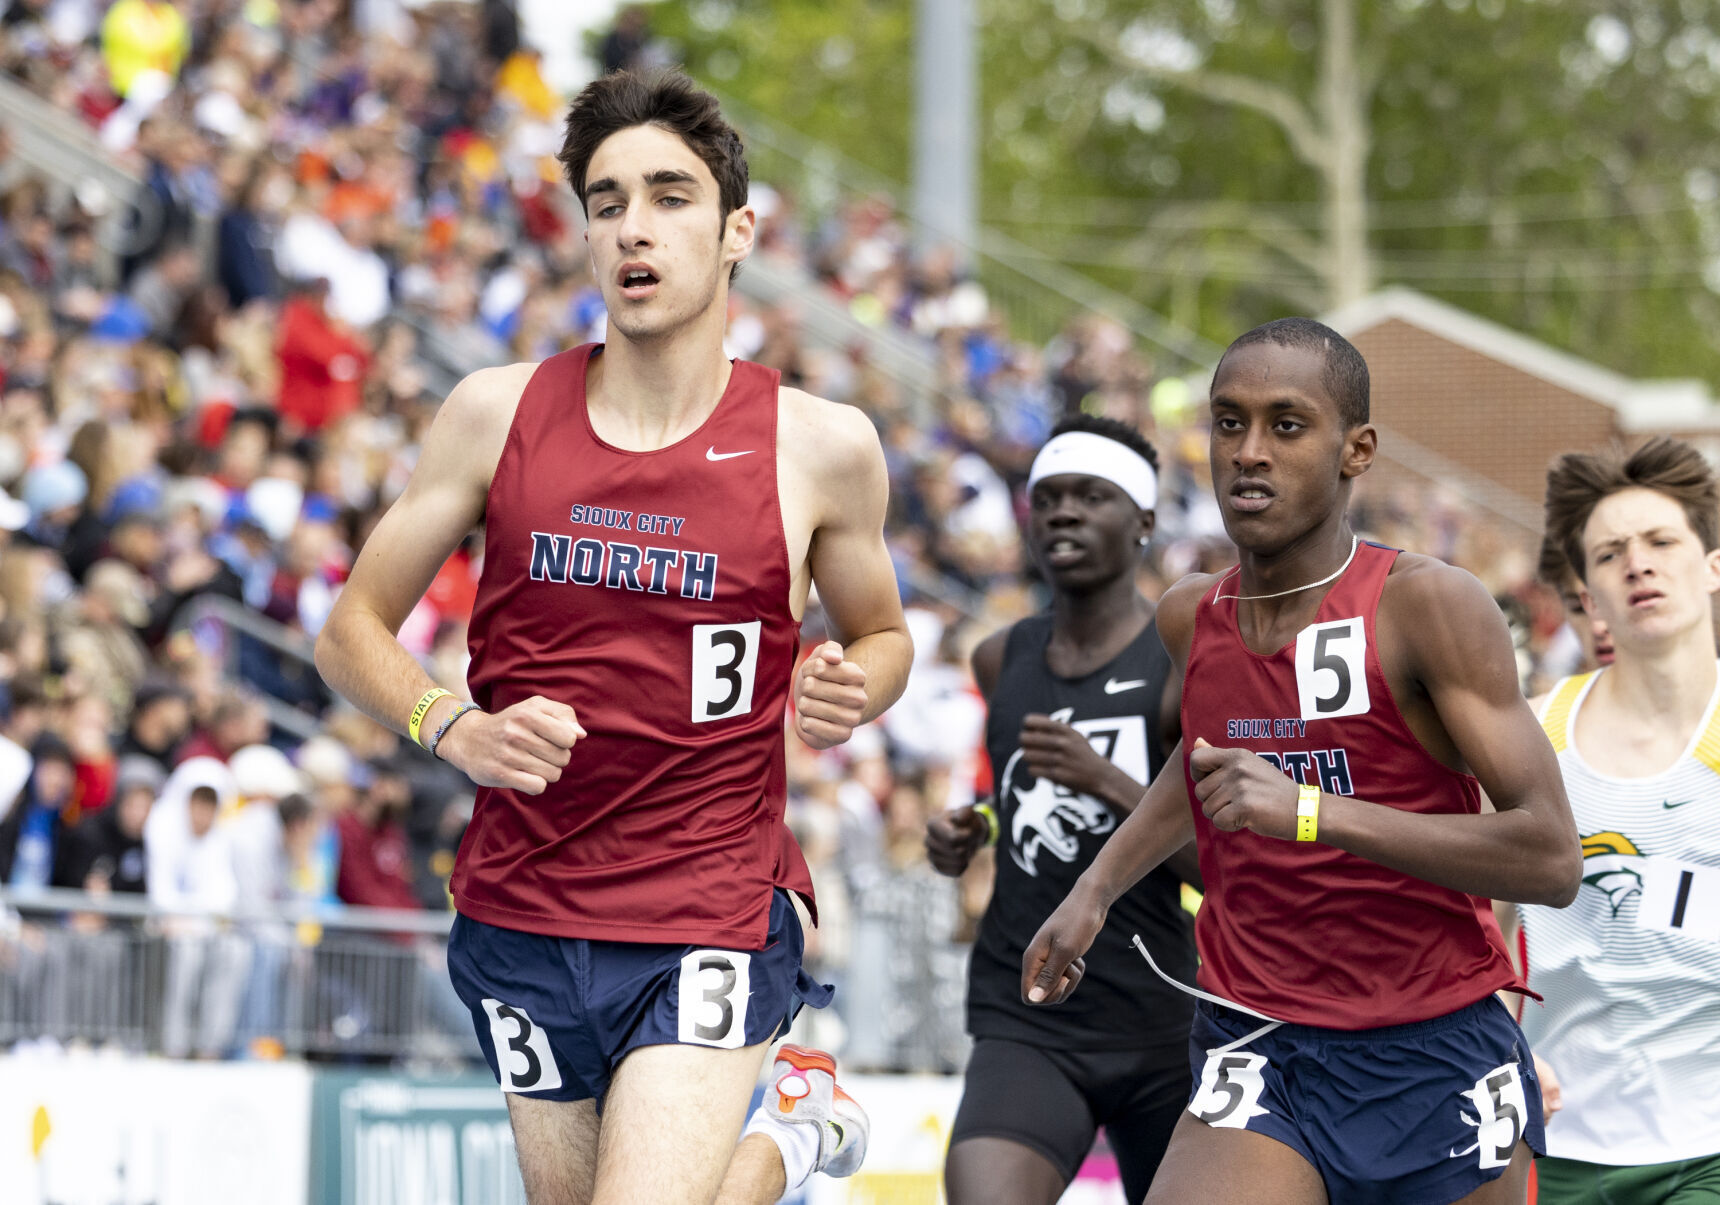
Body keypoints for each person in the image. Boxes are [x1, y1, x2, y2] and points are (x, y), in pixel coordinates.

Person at [314, 69, 912, 1205]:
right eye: (605, 200)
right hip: (520, 907)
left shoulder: (820, 446)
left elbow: (883, 634)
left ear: (739, 230)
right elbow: (349, 630)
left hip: (710, 903)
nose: (633, 225)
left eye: (670, 196)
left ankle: (783, 1125)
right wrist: (455, 727)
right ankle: (791, 1131)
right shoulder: (494, 412)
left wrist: (853, 684)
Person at [1022, 317, 1582, 1205]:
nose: (1249, 452)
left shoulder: (1429, 605)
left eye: (1287, 425)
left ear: (1356, 449)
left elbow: (1552, 857)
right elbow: (1204, 766)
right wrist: (1096, 886)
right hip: (1260, 1035)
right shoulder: (1189, 616)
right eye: (1228, 422)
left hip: (1432, 1044)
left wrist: (1312, 812)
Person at [925, 414, 1200, 1205]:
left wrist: (1107, 780)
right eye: (1047, 498)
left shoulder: (1180, 664)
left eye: (1091, 496)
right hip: (1030, 1019)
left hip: (1164, 1026)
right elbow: (1010, 793)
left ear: (1145, 521)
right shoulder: (999, 655)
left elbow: (1222, 866)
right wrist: (971, 828)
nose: (1063, 513)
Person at [1508, 438, 1720, 1203]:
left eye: (1662, 541)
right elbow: (1476, 930)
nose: (1638, 562)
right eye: (1610, 553)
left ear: (1712, 565)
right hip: (1558, 1141)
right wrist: (1499, 1045)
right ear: (1588, 595)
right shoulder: (1531, 738)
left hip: (1710, 1148)